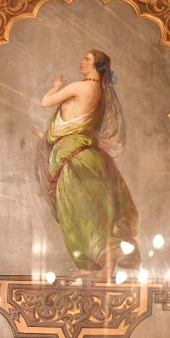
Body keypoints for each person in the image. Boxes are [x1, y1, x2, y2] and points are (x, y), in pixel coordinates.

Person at [35, 49, 141, 279]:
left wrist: (55, 87)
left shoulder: (79, 87)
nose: (82, 61)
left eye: (87, 59)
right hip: (88, 155)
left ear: (95, 66)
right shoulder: (101, 92)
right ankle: (93, 265)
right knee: (96, 211)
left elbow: (45, 102)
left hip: (73, 157)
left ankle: (100, 262)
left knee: (78, 213)